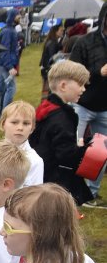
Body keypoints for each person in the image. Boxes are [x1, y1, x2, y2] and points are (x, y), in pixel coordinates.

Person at [30, 61, 92, 206]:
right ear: (63, 86)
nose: (83, 89)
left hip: (42, 174)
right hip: (54, 180)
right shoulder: (62, 118)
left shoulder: (47, 108)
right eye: (80, 85)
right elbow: (66, 155)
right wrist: (82, 150)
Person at [69, 2, 107, 205]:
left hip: (105, 107)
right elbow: (73, 72)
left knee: (101, 151)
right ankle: (73, 189)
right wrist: (98, 73)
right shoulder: (85, 42)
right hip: (83, 104)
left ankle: (91, 192)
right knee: (74, 147)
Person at [0, 101, 43, 186]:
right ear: (3, 124)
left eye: (26, 123)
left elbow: (34, 194)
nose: (20, 128)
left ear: (32, 128)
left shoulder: (35, 161)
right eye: (14, 122)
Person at [0, 14, 20, 122]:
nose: (20, 19)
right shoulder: (8, 31)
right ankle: (5, 116)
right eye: (18, 17)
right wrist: (10, 67)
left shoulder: (7, 29)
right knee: (11, 88)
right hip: (5, 64)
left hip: (1, 63)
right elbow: (5, 50)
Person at [39, 24, 64, 99]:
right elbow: (52, 57)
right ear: (56, 32)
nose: (62, 32)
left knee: (47, 89)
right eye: (61, 30)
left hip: (46, 68)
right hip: (48, 68)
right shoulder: (52, 43)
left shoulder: (52, 41)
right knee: (48, 90)